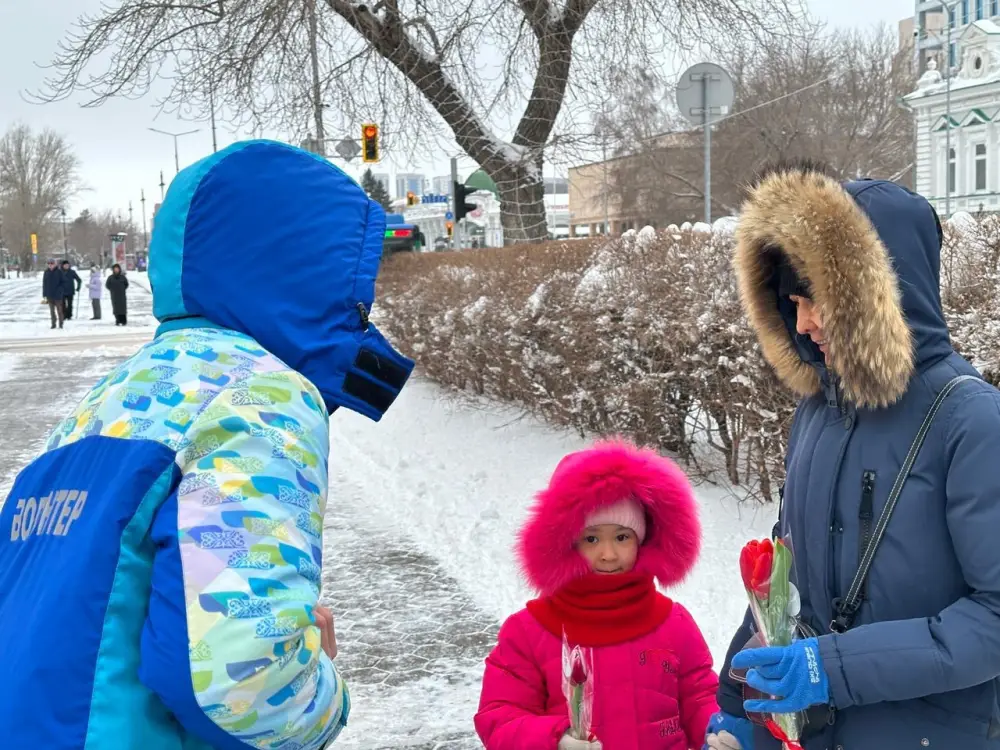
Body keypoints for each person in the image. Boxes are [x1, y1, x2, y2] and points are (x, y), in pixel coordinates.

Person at [0, 140, 414, 749]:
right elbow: (240, 686)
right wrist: (325, 692)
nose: (362, 303)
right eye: (353, 279)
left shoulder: (104, 403)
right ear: (303, 269)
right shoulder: (260, 396)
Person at [707, 160, 1000, 750]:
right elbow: (786, 570)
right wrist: (738, 691)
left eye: (818, 297)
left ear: (879, 294)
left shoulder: (971, 420)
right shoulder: (818, 411)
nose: (804, 322)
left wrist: (831, 669)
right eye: (792, 299)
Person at [476, 440, 718, 750]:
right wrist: (555, 740)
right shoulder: (528, 632)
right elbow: (500, 717)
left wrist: (716, 732)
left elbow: (700, 697)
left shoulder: (673, 622)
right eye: (591, 538)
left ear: (642, 539)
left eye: (622, 537)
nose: (608, 554)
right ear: (568, 544)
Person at [41, 257, 65, 329]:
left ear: (55, 264)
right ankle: (53, 323)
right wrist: (44, 293)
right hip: (49, 294)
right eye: (49, 263)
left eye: (52, 263)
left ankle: (61, 323)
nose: (50, 265)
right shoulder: (46, 272)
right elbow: (44, 283)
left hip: (57, 295)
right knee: (52, 311)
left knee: (59, 310)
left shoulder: (59, 272)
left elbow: (63, 282)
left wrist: (60, 290)